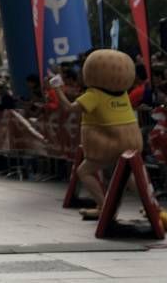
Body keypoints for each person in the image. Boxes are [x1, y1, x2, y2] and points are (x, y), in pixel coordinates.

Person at [51, 50, 142, 221]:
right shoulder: (122, 93)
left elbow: (69, 108)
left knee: (83, 171)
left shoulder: (94, 95)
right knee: (126, 173)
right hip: (132, 140)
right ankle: (150, 205)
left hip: (110, 143)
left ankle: (104, 206)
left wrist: (57, 88)